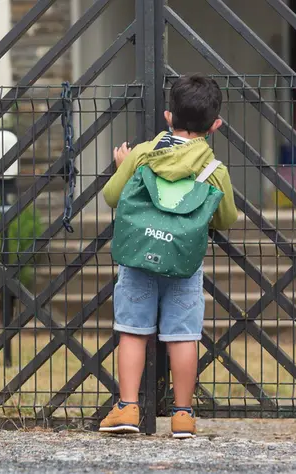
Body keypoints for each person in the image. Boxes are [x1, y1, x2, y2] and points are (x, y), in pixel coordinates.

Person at [98, 74, 238, 438]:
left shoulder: (143, 154)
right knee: (182, 335)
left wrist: (122, 167)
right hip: (184, 264)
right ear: (216, 126)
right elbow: (226, 218)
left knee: (132, 330)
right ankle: (182, 415)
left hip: (138, 256)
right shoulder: (214, 171)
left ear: (167, 116)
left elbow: (113, 197)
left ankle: (127, 407)